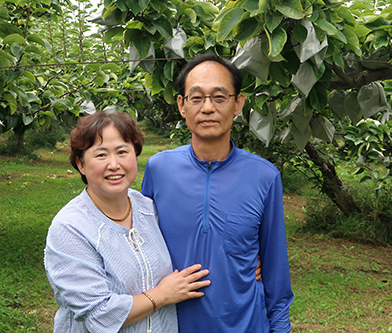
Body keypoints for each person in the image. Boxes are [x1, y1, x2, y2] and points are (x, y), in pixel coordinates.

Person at [141, 53, 294, 332]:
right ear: (182, 106)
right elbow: (139, 244)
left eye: (220, 97)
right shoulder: (159, 168)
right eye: (196, 98)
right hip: (174, 324)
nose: (208, 108)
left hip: (246, 324)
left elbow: (275, 267)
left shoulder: (264, 176)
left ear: (238, 104)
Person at [44, 111, 210, 333]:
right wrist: (162, 295)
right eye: (101, 155)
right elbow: (100, 314)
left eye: (122, 152)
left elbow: (189, 243)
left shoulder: (150, 208)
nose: (114, 164)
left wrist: (241, 258)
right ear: (81, 164)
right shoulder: (70, 227)